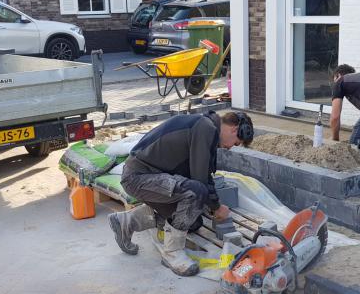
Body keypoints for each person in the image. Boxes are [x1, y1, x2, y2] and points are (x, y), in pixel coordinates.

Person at [108, 111, 254, 277]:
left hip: (152, 177)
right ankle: (172, 253)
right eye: (236, 143)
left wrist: (212, 205)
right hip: (139, 177)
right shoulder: (205, 128)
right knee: (195, 192)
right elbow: (200, 179)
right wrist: (216, 207)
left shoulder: (205, 126)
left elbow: (202, 173)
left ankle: (126, 222)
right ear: (234, 130)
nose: (230, 147)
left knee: (193, 222)